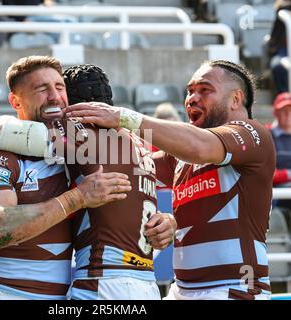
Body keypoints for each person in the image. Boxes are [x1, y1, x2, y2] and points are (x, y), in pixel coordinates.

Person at [64, 60, 276, 300]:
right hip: (181, 290)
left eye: (204, 90)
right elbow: (132, 167)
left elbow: (199, 146)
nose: (192, 98)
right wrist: (170, 222)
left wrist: (123, 117)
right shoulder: (182, 155)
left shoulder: (252, 132)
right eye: (189, 91)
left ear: (236, 99)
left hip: (235, 288)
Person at [0, 63, 177, 300]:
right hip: (144, 283)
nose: (55, 99)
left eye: (59, 88)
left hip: (103, 283)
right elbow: (0, 227)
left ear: (73, 105)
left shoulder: (76, 136)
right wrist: (168, 221)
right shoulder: (136, 144)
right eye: (43, 89)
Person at [271, 92, 291, 226]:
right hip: (276, 193)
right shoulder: (266, 136)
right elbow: (266, 173)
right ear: (275, 113)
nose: (288, 115)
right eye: (284, 110)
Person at [268, 0, 291, 93]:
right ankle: (285, 99)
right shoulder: (283, 11)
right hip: (284, 50)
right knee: (278, 66)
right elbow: (274, 38)